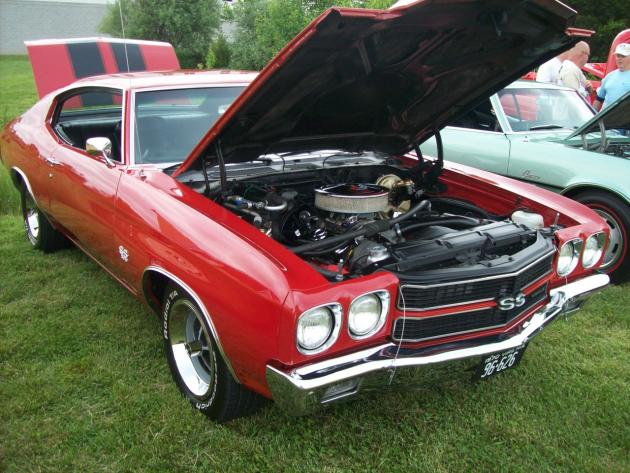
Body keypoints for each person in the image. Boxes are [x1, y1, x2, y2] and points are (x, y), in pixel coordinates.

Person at [593, 43, 630, 111]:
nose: (619, 58)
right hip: (605, 117)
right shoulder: (609, 76)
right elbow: (599, 99)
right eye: (618, 56)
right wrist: (592, 115)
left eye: (623, 56)